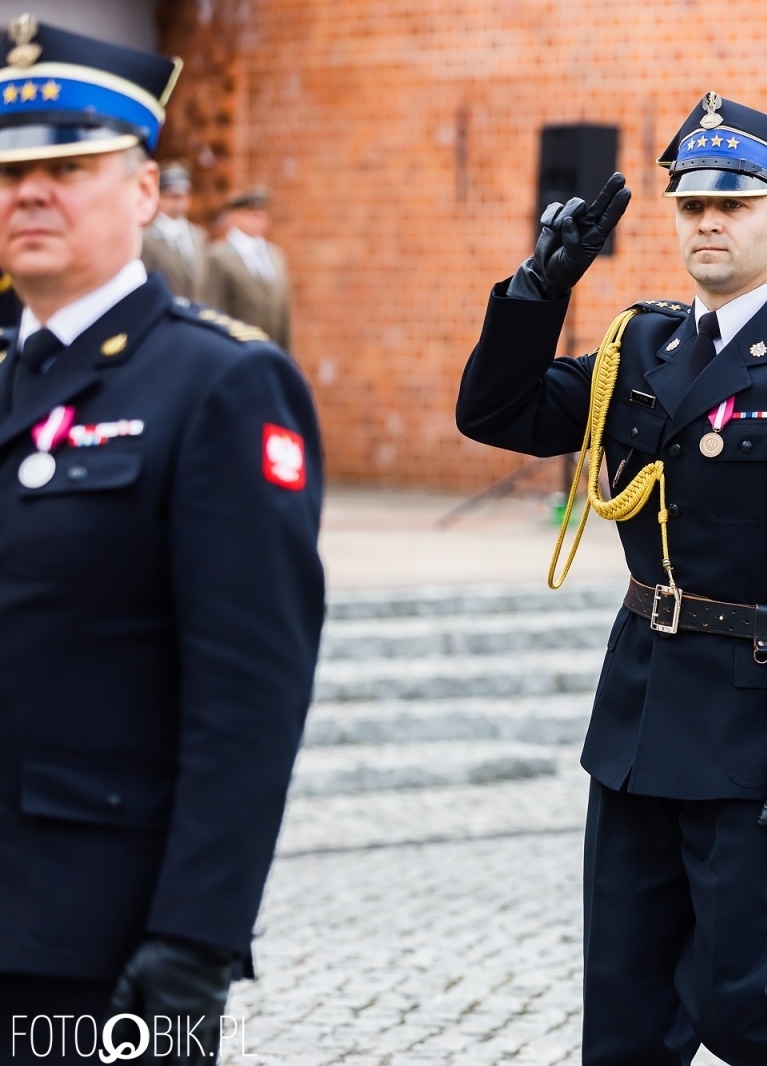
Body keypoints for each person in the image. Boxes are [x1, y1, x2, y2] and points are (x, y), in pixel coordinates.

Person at [457, 92, 767, 1065]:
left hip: (757, 736)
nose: (708, 221)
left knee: (735, 1002)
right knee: (621, 1022)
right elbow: (495, 412)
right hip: (638, 722)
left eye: (735, 204)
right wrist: (544, 283)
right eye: (692, 204)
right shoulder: (638, 346)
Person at [0, 16, 324, 1064]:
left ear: (143, 191)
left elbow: (249, 697)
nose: (29, 192)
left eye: (71, 166)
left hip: (94, 930)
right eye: (7, 172)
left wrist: (195, 942)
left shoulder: (220, 383)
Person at [204, 184, 291, 353]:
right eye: (251, 215)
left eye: (262, 215)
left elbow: (284, 314)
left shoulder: (275, 255)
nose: (258, 220)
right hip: (237, 351)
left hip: (273, 350)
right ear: (234, 216)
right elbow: (215, 308)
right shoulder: (218, 256)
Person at [139, 162, 209, 301]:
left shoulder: (198, 235)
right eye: (172, 196)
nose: (178, 202)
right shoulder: (146, 238)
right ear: (159, 197)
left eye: (183, 196)